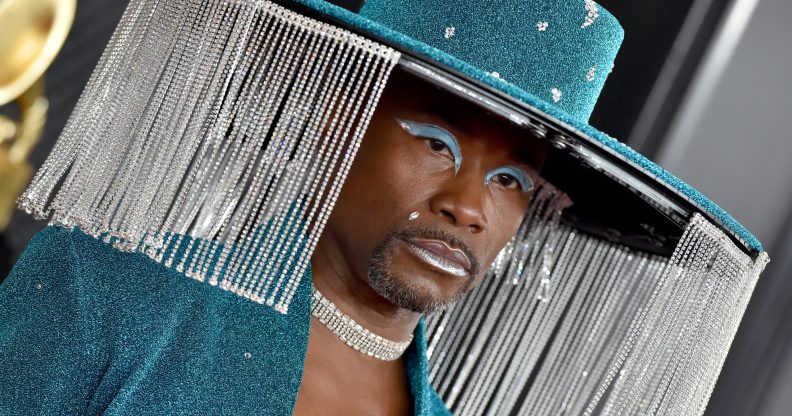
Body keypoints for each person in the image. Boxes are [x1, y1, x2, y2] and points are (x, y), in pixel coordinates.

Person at [0, 0, 769, 415]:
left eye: (514, 182)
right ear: (338, 121)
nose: (470, 206)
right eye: (437, 142)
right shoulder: (106, 292)